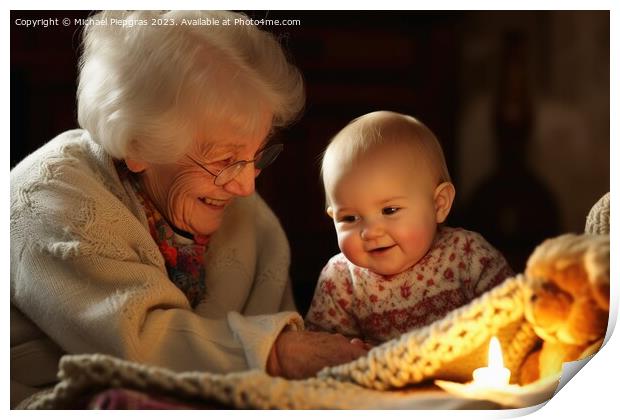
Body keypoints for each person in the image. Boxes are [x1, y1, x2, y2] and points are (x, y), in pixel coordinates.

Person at [10, 10, 367, 408]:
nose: (247, 185)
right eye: (224, 159)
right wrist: (278, 353)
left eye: (257, 155)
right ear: (139, 145)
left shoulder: (249, 217)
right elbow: (135, 347)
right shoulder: (48, 198)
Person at [305, 111, 514, 343]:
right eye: (350, 218)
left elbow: (513, 314)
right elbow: (319, 353)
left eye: (389, 211)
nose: (370, 232)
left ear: (439, 204)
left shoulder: (467, 256)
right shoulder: (340, 279)